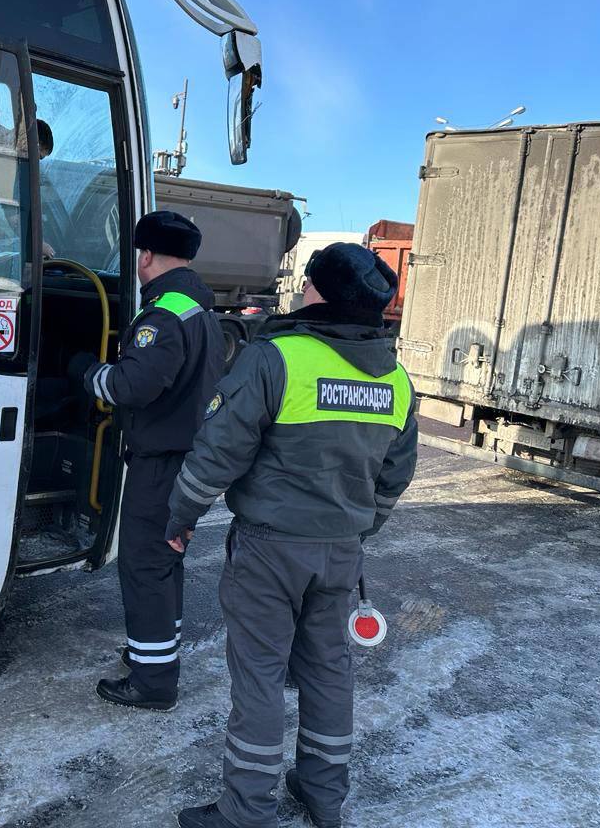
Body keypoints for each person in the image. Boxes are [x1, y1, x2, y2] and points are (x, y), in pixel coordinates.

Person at [165, 243, 419, 828]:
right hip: (341, 555)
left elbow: (217, 455)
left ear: (319, 293)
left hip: (269, 548)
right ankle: (324, 795)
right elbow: (393, 478)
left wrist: (180, 517)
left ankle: (246, 810)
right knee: (329, 671)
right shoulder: (397, 380)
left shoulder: (276, 358)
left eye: (307, 281)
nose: (302, 289)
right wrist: (357, 532)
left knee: (259, 676)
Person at [68, 210, 224, 711]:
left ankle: (153, 683)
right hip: (185, 459)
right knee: (164, 564)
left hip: (161, 465)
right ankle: (152, 655)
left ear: (147, 256)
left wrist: (84, 370)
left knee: (146, 568)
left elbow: (132, 386)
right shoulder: (197, 307)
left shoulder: (163, 313)